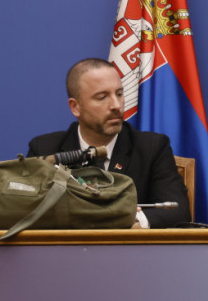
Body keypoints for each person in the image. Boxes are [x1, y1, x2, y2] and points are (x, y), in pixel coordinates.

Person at [27, 58, 189, 228]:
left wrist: (135, 220)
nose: (116, 105)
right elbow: (25, 212)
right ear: (75, 107)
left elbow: (179, 211)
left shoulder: (152, 148)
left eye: (119, 94)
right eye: (102, 97)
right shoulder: (45, 150)